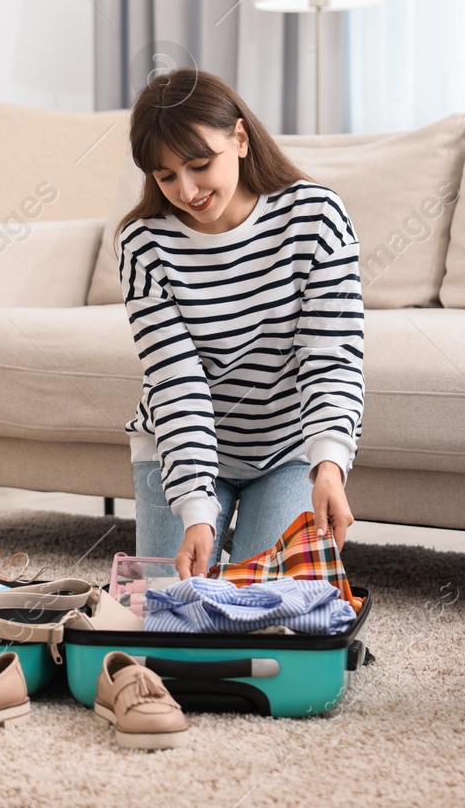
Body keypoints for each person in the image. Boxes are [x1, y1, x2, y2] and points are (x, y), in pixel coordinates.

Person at [116, 69, 364, 581]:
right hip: (180, 449)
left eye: (199, 165)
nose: (186, 190)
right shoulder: (143, 244)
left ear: (241, 138)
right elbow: (175, 381)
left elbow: (331, 357)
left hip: (288, 449)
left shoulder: (316, 216)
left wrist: (329, 468)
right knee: (166, 612)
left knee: (263, 610)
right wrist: (196, 512)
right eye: (165, 177)